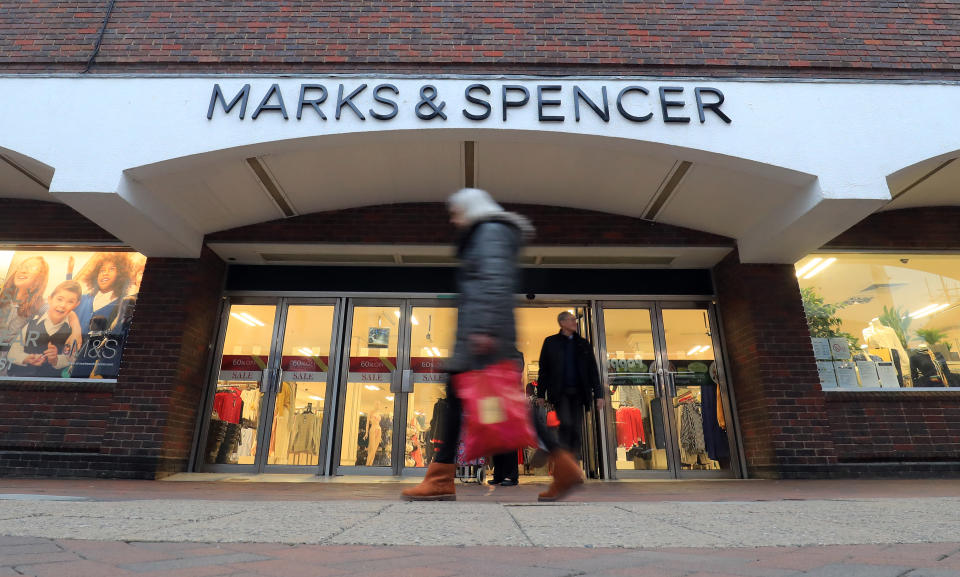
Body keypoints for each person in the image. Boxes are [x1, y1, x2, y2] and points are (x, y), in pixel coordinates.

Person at [403, 188, 567, 501]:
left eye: (455, 211)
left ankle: (439, 480)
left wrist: (483, 330)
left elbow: (492, 281)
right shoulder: (489, 233)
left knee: (460, 400)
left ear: (470, 208)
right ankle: (566, 465)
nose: (453, 218)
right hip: (483, 334)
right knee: (498, 405)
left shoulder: (489, 232)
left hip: (482, 336)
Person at [536, 311, 603, 463]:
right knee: (566, 424)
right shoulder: (550, 343)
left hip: (580, 394)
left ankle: (574, 466)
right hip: (560, 394)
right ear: (563, 323)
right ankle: (565, 464)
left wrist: (599, 395)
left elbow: (593, 370)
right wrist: (541, 394)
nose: (575, 322)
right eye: (572, 320)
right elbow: (544, 370)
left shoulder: (583, 344)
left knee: (576, 429)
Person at [6, 280, 83, 378]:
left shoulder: (73, 333)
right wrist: (26, 358)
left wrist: (55, 360)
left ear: (76, 304)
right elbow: (13, 353)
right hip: (20, 379)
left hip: (49, 384)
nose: (63, 305)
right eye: (59, 299)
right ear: (50, 299)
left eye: (70, 302)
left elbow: (71, 359)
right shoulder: (31, 323)